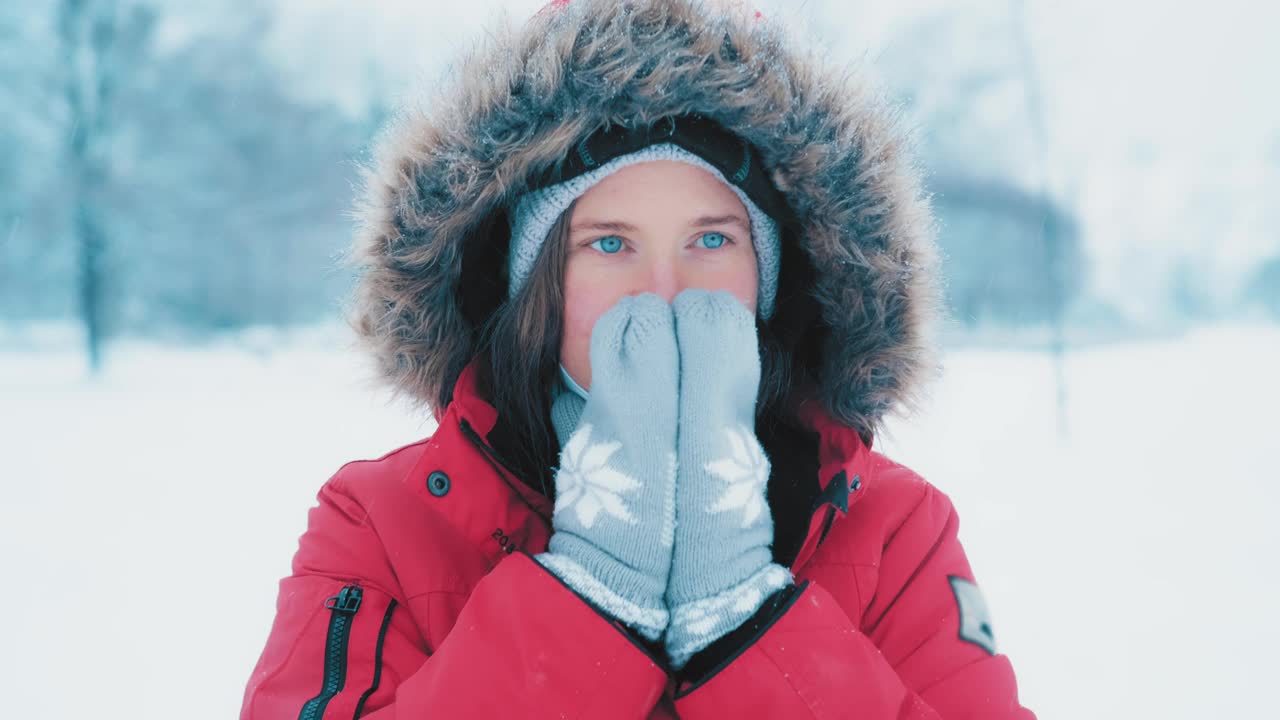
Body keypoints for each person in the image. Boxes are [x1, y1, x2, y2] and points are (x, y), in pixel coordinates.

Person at [239, 0, 1036, 717]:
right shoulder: (383, 521)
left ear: (773, 275)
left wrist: (741, 614)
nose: (662, 290)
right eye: (609, 243)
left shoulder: (894, 528)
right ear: (536, 281)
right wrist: (592, 592)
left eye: (712, 239)